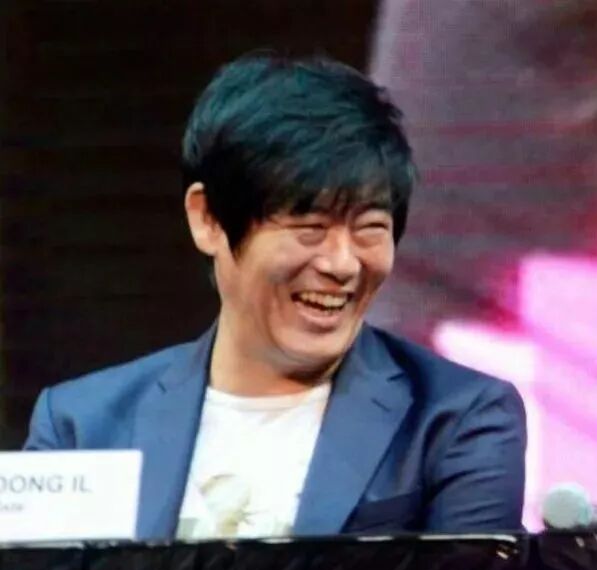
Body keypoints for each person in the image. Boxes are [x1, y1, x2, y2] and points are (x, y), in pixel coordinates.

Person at [23, 53, 527, 538]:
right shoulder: (83, 427)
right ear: (209, 220)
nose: (342, 263)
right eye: (309, 228)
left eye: (370, 228)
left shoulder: (454, 419)